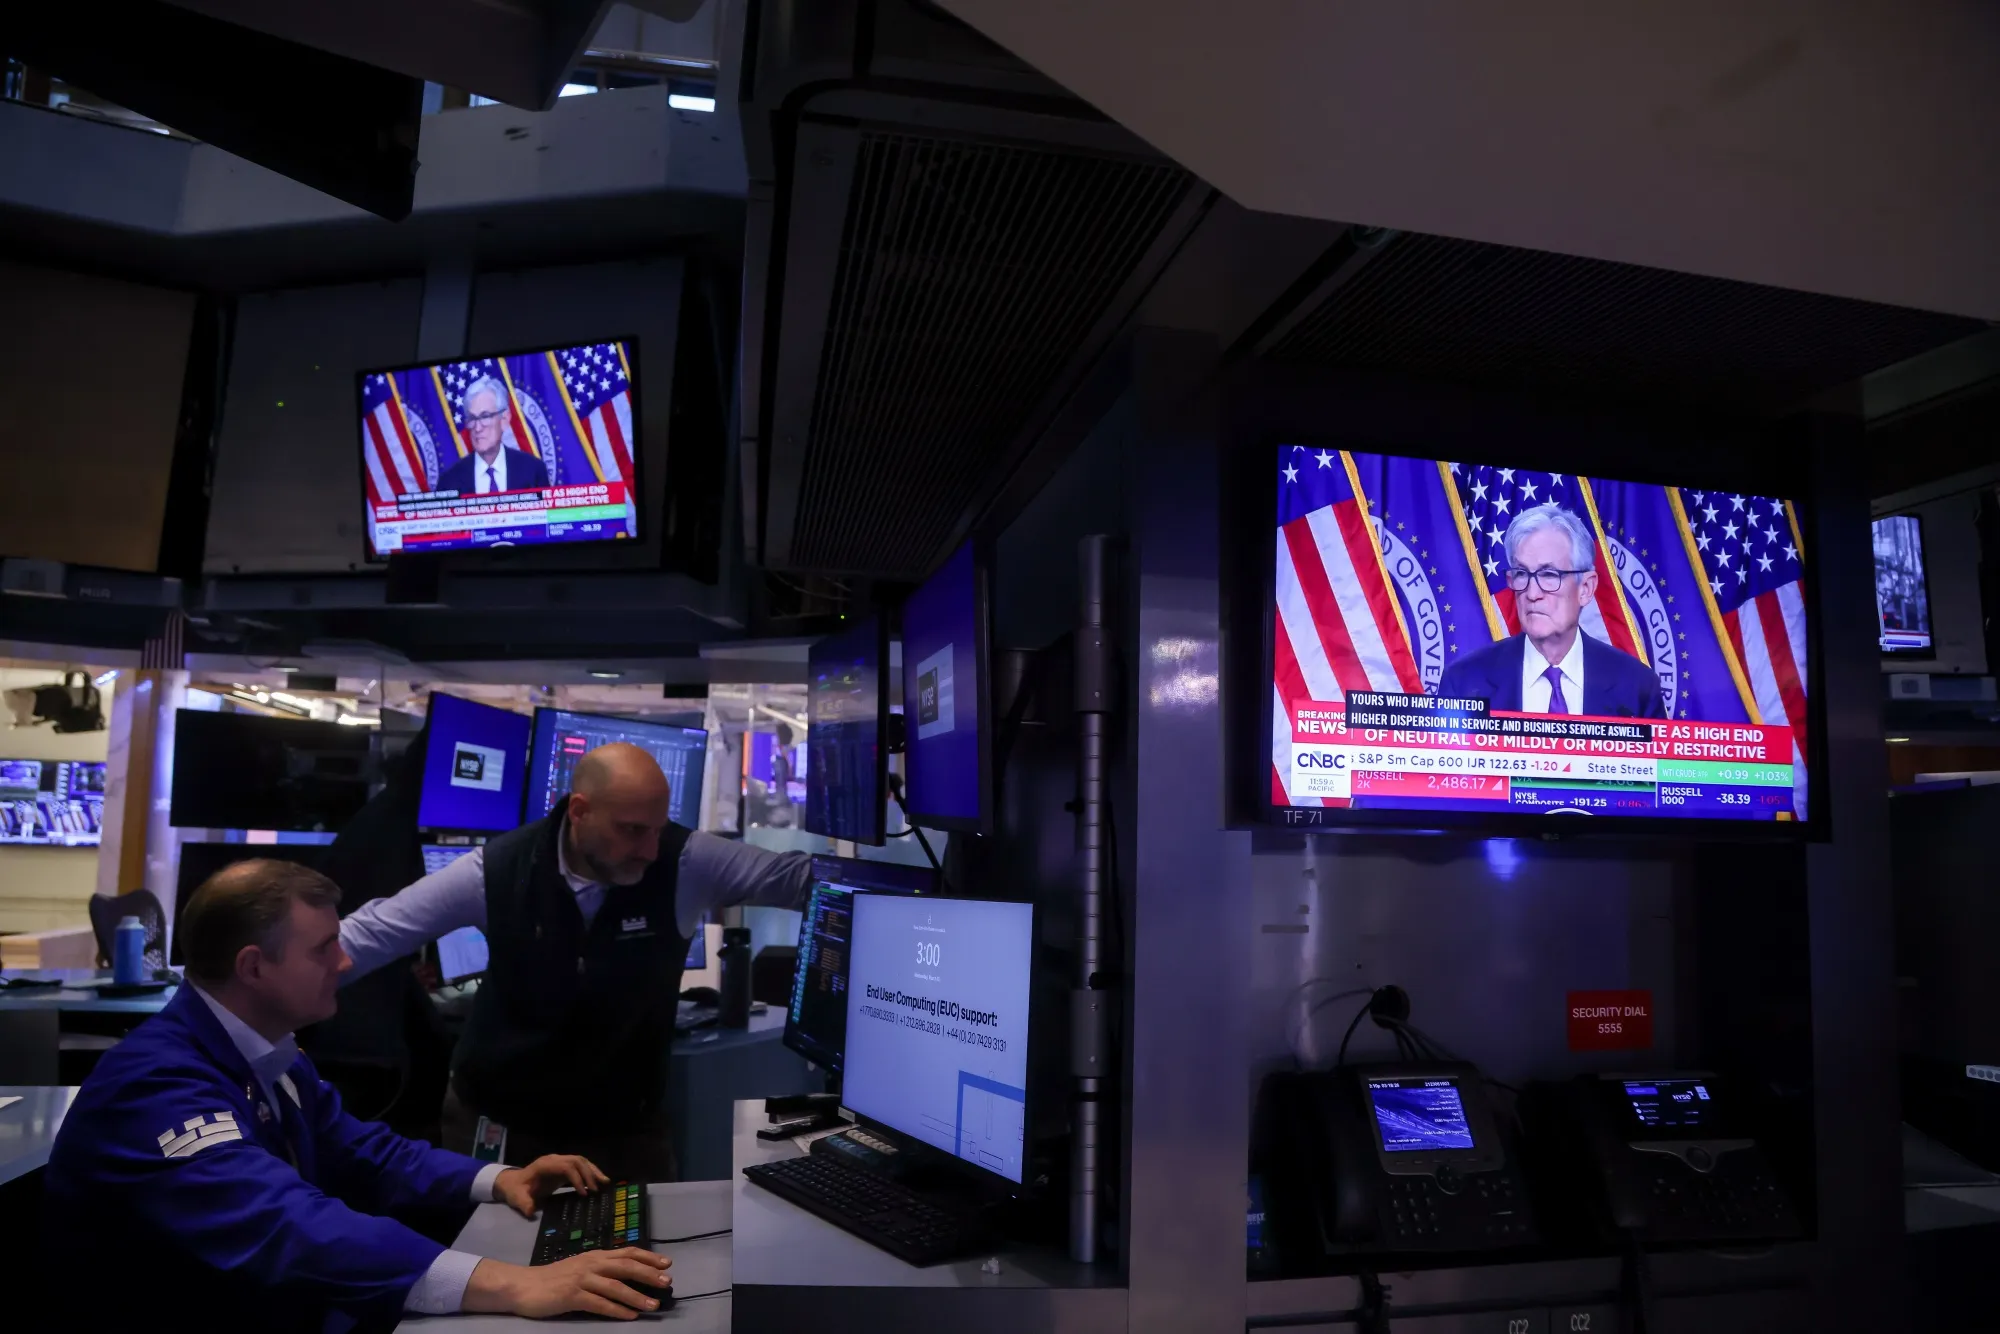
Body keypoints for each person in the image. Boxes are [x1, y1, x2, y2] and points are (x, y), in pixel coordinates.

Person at [43, 860, 673, 1330]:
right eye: (324, 948)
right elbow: (287, 1225)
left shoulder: (266, 1050)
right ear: (254, 967)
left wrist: (498, 1179)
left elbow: (363, 1152)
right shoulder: (159, 1086)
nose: (344, 963)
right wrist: (510, 1284)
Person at [338, 742, 813, 1180]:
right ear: (580, 812)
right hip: (499, 1121)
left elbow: (797, 880)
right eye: (631, 831)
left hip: (623, 1131)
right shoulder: (500, 870)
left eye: (658, 830)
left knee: (640, 1263)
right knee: (497, 1258)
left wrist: (881, 899)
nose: (650, 850)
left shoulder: (685, 861)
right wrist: (276, 995)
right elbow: (373, 933)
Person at [1438, 501, 1667, 718]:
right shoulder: (1464, 683)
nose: (1532, 593)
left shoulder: (1638, 688)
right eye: (1521, 574)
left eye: (1549, 575)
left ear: (1586, 588)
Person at [435, 376, 550, 496]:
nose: (477, 428)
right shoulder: (448, 482)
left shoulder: (533, 471)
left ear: (504, 419)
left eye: (485, 416)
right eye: (472, 418)